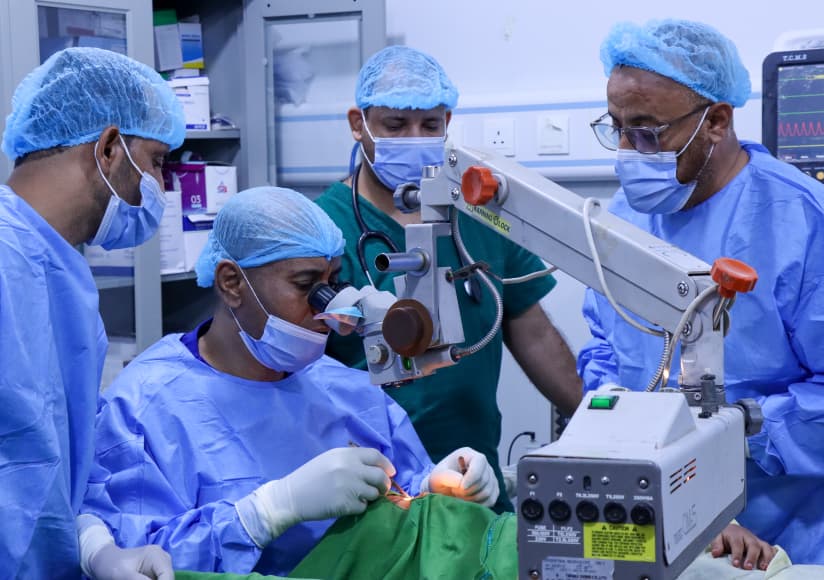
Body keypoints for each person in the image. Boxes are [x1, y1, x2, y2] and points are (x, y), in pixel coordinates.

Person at [80, 186, 500, 575]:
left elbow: (403, 505)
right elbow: (137, 561)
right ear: (231, 283)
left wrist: (434, 487)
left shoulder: (344, 389)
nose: (328, 308)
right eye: (306, 286)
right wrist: (265, 513)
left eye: (333, 283)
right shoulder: (143, 406)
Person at [577, 19, 824, 570]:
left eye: (647, 131)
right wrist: (623, 423)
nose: (628, 151)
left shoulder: (813, 229)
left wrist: (728, 432)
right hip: (658, 515)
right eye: (615, 127)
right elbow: (605, 346)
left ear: (715, 121)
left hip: (803, 528)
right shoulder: (622, 219)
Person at [315, 45, 584, 513]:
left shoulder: (478, 213)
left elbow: (535, 334)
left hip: (473, 480)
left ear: (448, 122)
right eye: (395, 125)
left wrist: (602, 428)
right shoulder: (322, 229)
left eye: (430, 125)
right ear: (359, 124)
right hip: (373, 491)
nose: (414, 138)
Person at [0, 47, 185, 579]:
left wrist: (92, 544)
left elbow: (54, 458)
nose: (160, 187)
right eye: (157, 162)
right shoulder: (10, 259)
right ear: (108, 148)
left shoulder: (57, 268)